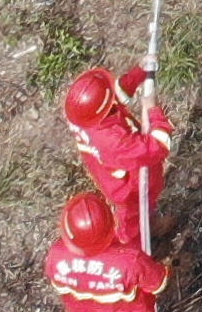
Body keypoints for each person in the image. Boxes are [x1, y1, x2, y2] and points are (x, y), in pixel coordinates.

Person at [63, 65, 176, 250]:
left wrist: (140, 72)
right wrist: (153, 111)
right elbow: (157, 146)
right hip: (128, 186)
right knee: (132, 219)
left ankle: (149, 222)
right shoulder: (113, 142)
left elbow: (115, 94)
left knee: (145, 209)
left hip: (118, 171)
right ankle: (132, 249)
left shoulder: (82, 112)